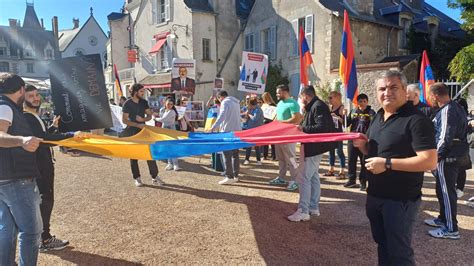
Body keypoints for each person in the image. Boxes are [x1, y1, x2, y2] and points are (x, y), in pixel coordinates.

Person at [353, 70, 437, 265]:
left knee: (399, 253)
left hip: (400, 200)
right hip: (375, 195)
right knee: (383, 245)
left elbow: (429, 161)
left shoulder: (416, 120)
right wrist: (365, 147)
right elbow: (378, 152)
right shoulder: (378, 116)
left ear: (404, 90)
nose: (387, 92)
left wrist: (388, 164)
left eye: (393, 87)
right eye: (382, 88)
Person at [23, 85, 88, 251]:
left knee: (42, 201)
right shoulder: (27, 116)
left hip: (41, 164)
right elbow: (43, 139)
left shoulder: (32, 116)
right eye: (31, 96)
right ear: (23, 98)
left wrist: (52, 126)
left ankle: (41, 237)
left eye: (37, 95)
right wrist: (71, 136)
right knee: (46, 200)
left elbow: (43, 136)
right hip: (39, 166)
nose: (36, 98)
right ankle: (44, 239)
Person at [0, 73, 43, 265]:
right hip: (16, 178)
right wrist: (21, 140)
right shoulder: (5, 107)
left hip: (6, 178)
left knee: (7, 230)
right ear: (21, 90)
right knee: (31, 231)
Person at [424, 82, 468, 240]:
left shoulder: (447, 110)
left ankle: (451, 229)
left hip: (446, 157)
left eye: (430, 96)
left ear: (435, 95)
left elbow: (444, 139)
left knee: (446, 192)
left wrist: (434, 157)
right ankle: (443, 219)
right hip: (452, 155)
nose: (429, 99)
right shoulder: (456, 107)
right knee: (442, 190)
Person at [287, 85, 336, 222]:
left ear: (306, 96)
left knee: (304, 178)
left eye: (301, 97)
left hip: (314, 148)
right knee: (313, 177)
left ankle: (303, 210)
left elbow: (322, 127)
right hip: (314, 147)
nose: (301, 100)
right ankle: (313, 207)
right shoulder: (315, 106)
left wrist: (303, 128)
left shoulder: (317, 106)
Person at [121, 83, 162, 187]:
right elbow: (124, 120)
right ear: (135, 92)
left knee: (149, 153)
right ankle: (137, 178)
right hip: (131, 131)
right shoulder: (127, 103)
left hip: (143, 131)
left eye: (143, 91)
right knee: (134, 156)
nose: (143, 93)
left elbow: (149, 116)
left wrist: (143, 120)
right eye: (141, 91)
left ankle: (155, 176)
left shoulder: (144, 102)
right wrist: (137, 124)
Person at [209, 90, 242, 185]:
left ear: (220, 97)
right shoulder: (236, 102)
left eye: (218, 99)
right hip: (237, 131)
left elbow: (222, 116)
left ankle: (229, 176)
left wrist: (213, 127)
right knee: (235, 155)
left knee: (226, 154)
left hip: (227, 131)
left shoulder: (224, 102)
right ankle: (236, 175)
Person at [344, 93, 376, 190]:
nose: (362, 103)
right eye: (360, 101)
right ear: (357, 102)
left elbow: (374, 126)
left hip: (364, 140)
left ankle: (363, 182)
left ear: (367, 102)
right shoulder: (353, 111)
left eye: (364, 101)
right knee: (351, 160)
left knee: (364, 162)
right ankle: (351, 180)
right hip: (352, 139)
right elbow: (347, 123)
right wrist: (344, 116)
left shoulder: (371, 113)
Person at [323, 90, 346, 178]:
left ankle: (342, 171)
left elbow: (344, 122)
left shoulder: (341, 108)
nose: (329, 99)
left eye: (330, 97)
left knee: (339, 151)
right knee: (331, 151)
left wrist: (337, 117)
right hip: (330, 132)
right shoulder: (330, 107)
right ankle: (331, 169)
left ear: (337, 97)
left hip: (338, 133)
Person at [156, 97, 181, 171]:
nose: (169, 105)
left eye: (171, 104)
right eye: (168, 104)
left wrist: (154, 118)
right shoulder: (164, 111)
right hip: (165, 130)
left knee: (173, 147)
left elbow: (163, 119)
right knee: (167, 147)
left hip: (171, 130)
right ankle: (170, 163)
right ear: (165, 104)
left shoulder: (172, 111)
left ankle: (176, 164)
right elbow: (162, 119)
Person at [243, 98, 264, 165]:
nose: (248, 106)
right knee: (248, 145)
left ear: (252, 105)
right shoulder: (251, 108)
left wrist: (248, 114)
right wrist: (245, 114)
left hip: (256, 130)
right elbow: (242, 113)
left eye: (249, 105)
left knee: (257, 146)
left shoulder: (258, 110)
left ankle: (258, 160)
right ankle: (247, 159)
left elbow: (255, 119)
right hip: (250, 129)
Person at [261, 92, 276, 160]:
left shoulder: (272, 106)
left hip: (268, 124)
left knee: (269, 141)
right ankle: (272, 155)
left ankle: (267, 155)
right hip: (269, 124)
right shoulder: (265, 105)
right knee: (268, 141)